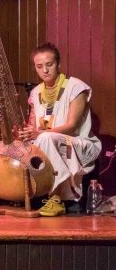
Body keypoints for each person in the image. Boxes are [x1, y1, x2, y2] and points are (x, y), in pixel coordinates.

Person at [17, 43, 101, 217]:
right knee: (21, 145)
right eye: (39, 66)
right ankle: (23, 194)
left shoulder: (76, 87)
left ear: (59, 63)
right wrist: (25, 132)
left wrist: (41, 133)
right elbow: (33, 125)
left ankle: (56, 198)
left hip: (78, 142)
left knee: (46, 138)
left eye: (49, 64)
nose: (45, 70)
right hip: (47, 141)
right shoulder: (36, 92)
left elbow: (72, 126)